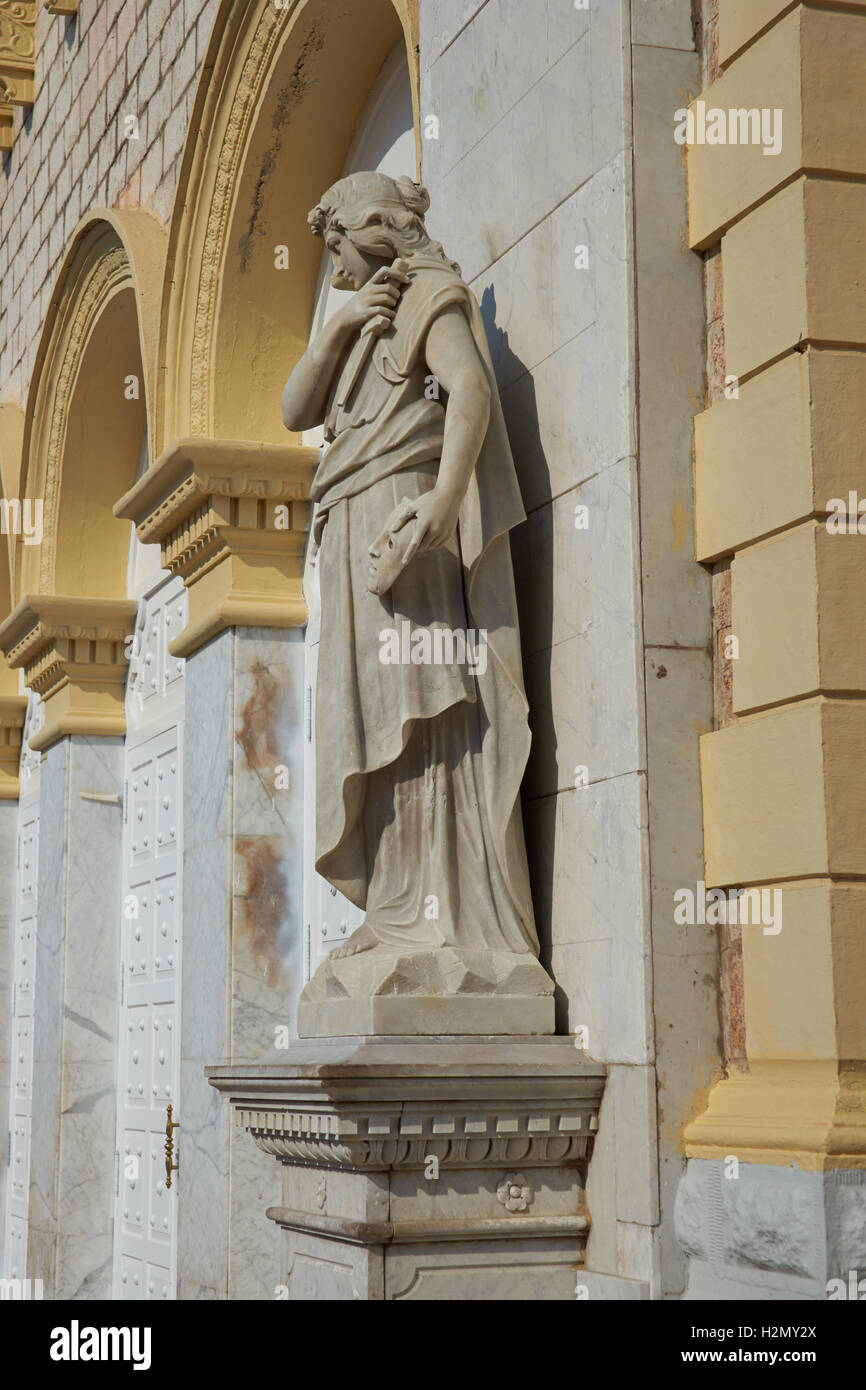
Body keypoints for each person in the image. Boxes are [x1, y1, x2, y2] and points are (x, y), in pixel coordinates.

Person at [281, 171, 542, 970]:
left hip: (404, 527)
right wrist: (336, 328)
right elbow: (295, 411)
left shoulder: (433, 293)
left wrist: (444, 500)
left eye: (338, 248)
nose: (334, 270)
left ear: (374, 229)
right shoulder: (361, 321)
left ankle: (443, 915)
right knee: (368, 718)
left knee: (419, 718)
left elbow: (468, 391)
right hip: (352, 525)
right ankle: (397, 904)